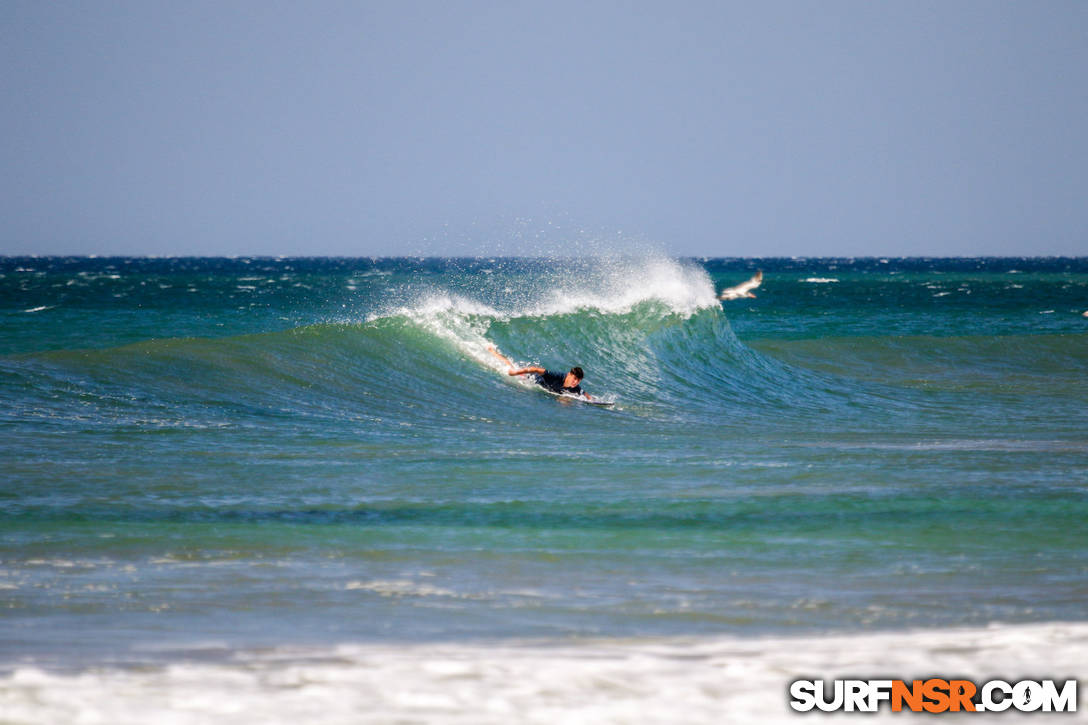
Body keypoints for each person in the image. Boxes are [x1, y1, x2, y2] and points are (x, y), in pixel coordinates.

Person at [487, 344, 593, 400]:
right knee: (509, 367)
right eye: (575, 379)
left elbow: (584, 394)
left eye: (578, 381)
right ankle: (493, 351)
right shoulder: (557, 376)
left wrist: (591, 400)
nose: (575, 382)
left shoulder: (575, 387)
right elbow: (536, 369)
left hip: (541, 387)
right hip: (531, 378)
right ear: (569, 375)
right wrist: (515, 373)